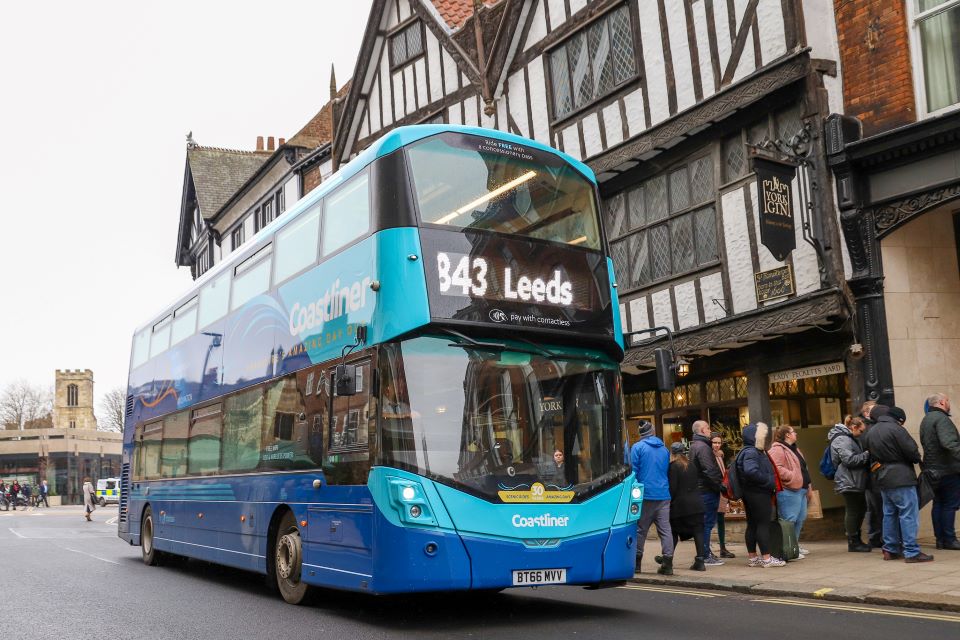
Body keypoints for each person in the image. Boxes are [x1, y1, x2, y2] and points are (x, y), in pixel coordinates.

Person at [863, 406, 932, 562]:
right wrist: (915, 458)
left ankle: (890, 549)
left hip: (882, 478)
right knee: (908, 514)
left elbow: (867, 452)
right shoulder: (896, 429)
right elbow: (912, 452)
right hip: (901, 476)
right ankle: (911, 551)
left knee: (889, 514)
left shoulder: (870, 431)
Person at [629, 421, 673, 574]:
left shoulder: (637, 448)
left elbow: (633, 472)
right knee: (666, 530)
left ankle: (637, 564)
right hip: (663, 494)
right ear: (653, 431)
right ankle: (668, 564)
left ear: (641, 433)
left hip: (644, 495)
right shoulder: (665, 449)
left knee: (641, 529)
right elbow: (665, 469)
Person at [739, 422, 784, 567]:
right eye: (762, 436)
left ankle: (753, 558)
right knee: (763, 524)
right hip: (758, 493)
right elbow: (751, 471)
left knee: (752, 525)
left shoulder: (748, 451)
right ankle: (767, 558)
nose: (764, 438)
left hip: (751, 493)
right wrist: (769, 481)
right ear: (755, 437)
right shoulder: (752, 452)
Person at [919, 393, 960, 550]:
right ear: (942, 402)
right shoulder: (942, 419)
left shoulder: (926, 419)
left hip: (932, 470)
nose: (948, 403)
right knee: (949, 504)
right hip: (947, 470)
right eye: (948, 400)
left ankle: (940, 540)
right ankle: (949, 539)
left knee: (938, 504)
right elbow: (949, 443)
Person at [829, 416, 872, 552]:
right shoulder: (843, 439)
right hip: (848, 480)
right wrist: (867, 454)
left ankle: (856, 539)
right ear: (853, 427)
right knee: (853, 510)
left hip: (852, 479)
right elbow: (849, 460)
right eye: (860, 431)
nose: (861, 434)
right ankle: (853, 541)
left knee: (859, 508)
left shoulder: (848, 438)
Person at [663, 442, 707, 571]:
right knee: (698, 531)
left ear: (672, 453)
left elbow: (673, 488)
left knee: (673, 532)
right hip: (697, 504)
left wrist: (669, 502)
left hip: (681, 506)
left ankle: (667, 558)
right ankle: (700, 561)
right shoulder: (692, 465)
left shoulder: (673, 467)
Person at [769, 425, 812, 557]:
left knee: (800, 519)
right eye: (793, 432)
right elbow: (776, 468)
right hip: (788, 490)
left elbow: (804, 468)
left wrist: (809, 486)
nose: (796, 434)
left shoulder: (795, 448)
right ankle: (786, 548)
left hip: (801, 490)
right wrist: (792, 476)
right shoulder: (777, 449)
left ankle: (794, 546)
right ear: (787, 435)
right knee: (789, 521)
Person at [688, 420, 724, 566]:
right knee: (707, 524)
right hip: (707, 491)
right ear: (702, 430)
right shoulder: (703, 447)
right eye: (708, 428)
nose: (710, 431)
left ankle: (704, 553)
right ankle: (705, 555)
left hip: (700, 490)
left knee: (704, 524)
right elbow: (709, 470)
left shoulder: (695, 445)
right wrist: (720, 486)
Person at [861, 400, 884, 547]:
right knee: (877, 508)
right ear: (866, 413)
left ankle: (875, 538)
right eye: (872, 410)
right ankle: (877, 538)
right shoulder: (867, 429)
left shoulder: (869, 427)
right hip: (872, 474)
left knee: (874, 508)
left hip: (871, 474)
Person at [711, 433, 736, 558]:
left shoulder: (720, 456)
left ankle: (722, 548)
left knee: (720, 519)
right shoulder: (709, 456)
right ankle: (707, 549)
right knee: (709, 521)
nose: (716, 445)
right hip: (712, 491)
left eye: (718, 442)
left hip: (721, 491)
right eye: (714, 442)